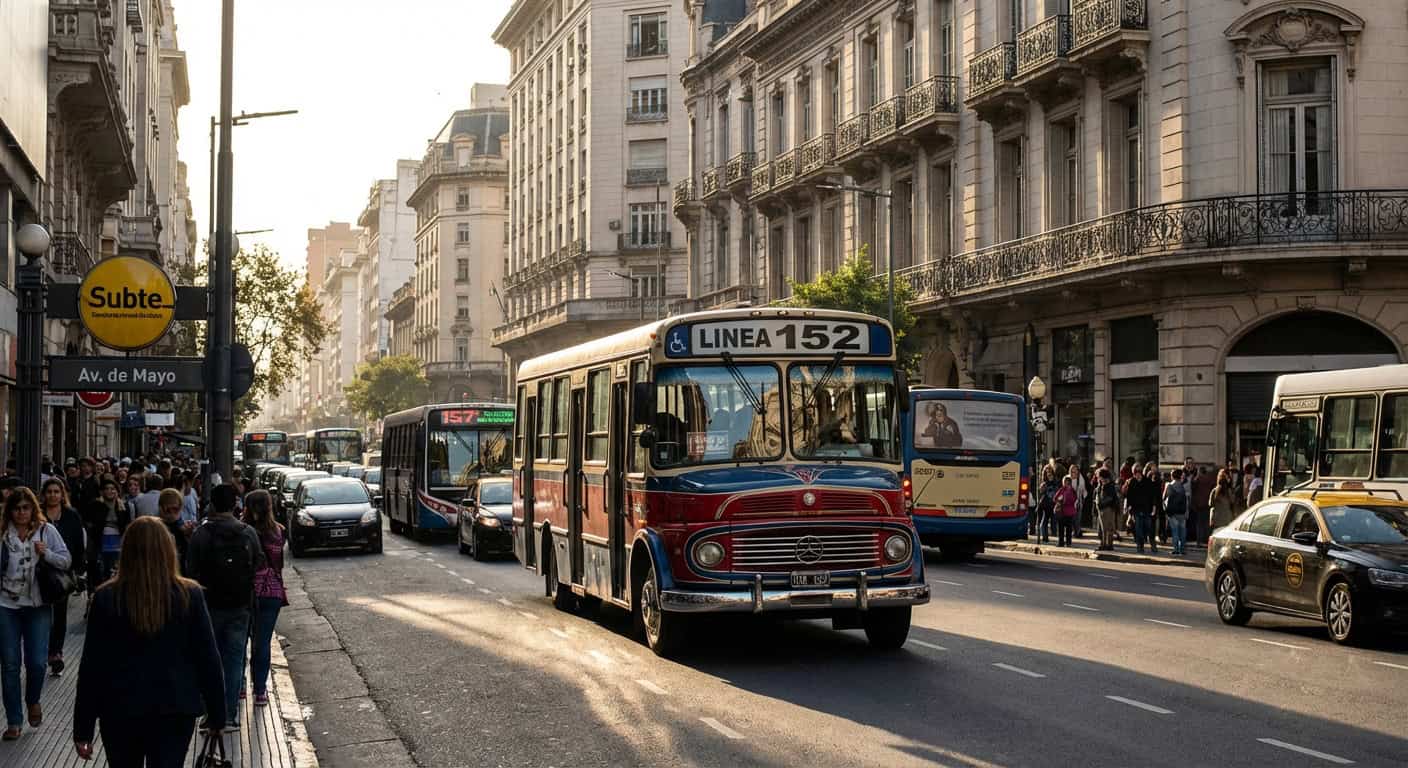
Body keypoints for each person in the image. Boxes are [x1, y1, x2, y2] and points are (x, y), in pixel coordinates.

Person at [73, 517, 225, 766]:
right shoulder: (189, 595)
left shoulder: (106, 598)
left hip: (120, 709)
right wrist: (218, 715)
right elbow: (208, 658)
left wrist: (83, 729)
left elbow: (92, 667)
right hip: (175, 707)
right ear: (168, 550)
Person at [186, 484, 264, 730]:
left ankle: (211, 715)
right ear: (235, 504)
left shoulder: (201, 533)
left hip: (208, 606)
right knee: (234, 660)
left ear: (212, 504)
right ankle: (230, 716)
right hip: (240, 605)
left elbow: (190, 570)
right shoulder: (247, 532)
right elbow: (258, 563)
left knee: (210, 660)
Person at [0, 487, 71, 739]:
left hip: (37, 605)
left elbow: (66, 560)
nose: (21, 513)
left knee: (37, 662)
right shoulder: (3, 535)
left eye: (25, 508)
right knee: (9, 664)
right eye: (16, 508)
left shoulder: (46, 530)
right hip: (6, 605)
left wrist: (47, 553)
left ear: (33, 509)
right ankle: (14, 721)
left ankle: (33, 700)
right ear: (10, 511)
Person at [243, 490, 287, 707]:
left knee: (241, 639)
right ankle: (260, 690)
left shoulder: (244, 532)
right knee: (262, 642)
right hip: (273, 592)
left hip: (248, 591)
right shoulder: (280, 531)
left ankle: (239, 685)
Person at [38, 479, 83, 677]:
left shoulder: (71, 516)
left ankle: (56, 653)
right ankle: (42, 651)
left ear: (62, 494)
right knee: (41, 613)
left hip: (62, 572)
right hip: (39, 571)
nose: (53, 495)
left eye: (57, 492)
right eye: (49, 491)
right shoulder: (37, 515)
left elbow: (78, 543)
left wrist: (78, 569)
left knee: (59, 614)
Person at [1124, 462, 1161, 555]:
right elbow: (1129, 496)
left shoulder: (1147, 482)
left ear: (1141, 473)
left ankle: (1153, 544)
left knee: (1149, 528)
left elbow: (1153, 495)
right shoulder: (1131, 482)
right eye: (1135, 473)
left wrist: (1154, 507)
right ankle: (1140, 546)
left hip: (1147, 508)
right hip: (1136, 509)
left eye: (1139, 473)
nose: (1137, 475)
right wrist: (1128, 508)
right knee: (1138, 528)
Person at [157, 489, 192, 574]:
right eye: (168, 509)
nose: (171, 513)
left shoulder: (185, 528)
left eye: (175, 509)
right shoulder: (155, 528)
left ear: (180, 508)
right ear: (161, 508)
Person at [1162, 468, 1189, 556]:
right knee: (1183, 531)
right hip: (1182, 511)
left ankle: (1176, 549)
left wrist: (1165, 509)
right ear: (1180, 476)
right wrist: (1186, 511)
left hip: (1172, 512)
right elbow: (1187, 499)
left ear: (1172, 476)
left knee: (1175, 531)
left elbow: (1164, 498)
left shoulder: (1169, 485)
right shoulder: (1183, 486)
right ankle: (1182, 549)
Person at [1094, 468, 1121, 551]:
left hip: (1107, 508)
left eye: (1099, 477)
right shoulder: (1102, 485)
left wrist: (1101, 504)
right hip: (1103, 508)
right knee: (1105, 528)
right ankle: (1106, 544)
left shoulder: (1109, 486)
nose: (1099, 478)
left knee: (1107, 528)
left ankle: (1106, 544)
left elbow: (1110, 498)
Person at [1209, 469, 1239, 536]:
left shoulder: (1214, 491)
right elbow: (1233, 503)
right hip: (1228, 519)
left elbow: (1211, 504)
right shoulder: (1230, 491)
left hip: (1217, 519)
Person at [1036, 466, 1059, 544]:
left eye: (1050, 472)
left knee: (1054, 522)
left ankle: (1054, 535)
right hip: (1045, 504)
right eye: (1047, 472)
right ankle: (1045, 538)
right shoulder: (1044, 482)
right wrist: (1043, 487)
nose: (1048, 473)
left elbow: (1057, 491)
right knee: (1044, 521)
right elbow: (1041, 493)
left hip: (1053, 504)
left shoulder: (1056, 481)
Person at [1054, 476, 1078, 547]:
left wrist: (1060, 500)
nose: (1066, 483)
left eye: (1067, 482)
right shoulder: (1071, 490)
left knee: (1062, 529)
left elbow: (1055, 498)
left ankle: (1062, 542)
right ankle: (1068, 543)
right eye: (1065, 482)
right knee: (1068, 529)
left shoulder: (1063, 490)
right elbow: (1075, 499)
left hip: (1064, 511)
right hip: (1067, 512)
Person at [1066, 463, 1087, 539]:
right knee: (1070, 517)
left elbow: (1083, 490)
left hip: (1077, 501)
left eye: (1075, 471)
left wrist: (1083, 498)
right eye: (1072, 471)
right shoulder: (1066, 478)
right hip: (1068, 502)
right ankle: (1072, 531)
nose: (1074, 472)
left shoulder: (1080, 479)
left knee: (1077, 518)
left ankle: (1077, 532)